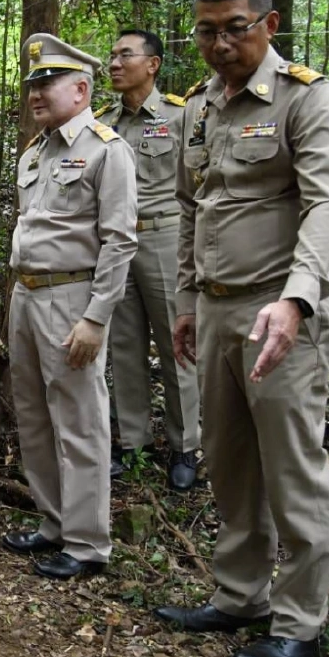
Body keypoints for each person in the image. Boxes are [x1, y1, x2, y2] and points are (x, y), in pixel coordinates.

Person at [154, 0, 329, 657]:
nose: (220, 44)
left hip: (280, 309)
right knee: (231, 462)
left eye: (235, 28)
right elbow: (190, 207)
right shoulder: (198, 106)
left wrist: (297, 300)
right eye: (206, 31)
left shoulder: (305, 97)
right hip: (214, 308)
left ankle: (299, 625)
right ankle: (240, 597)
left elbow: (326, 205)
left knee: (292, 468)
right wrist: (185, 302)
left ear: (268, 23)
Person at [0, 33, 137, 580]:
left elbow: (120, 241)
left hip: (72, 298)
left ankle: (86, 543)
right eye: (32, 84)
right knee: (33, 414)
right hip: (27, 294)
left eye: (48, 83)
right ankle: (52, 523)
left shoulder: (107, 150)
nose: (36, 93)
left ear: (81, 89)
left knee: (79, 421)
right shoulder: (35, 151)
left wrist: (96, 317)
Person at [96, 30, 202, 490]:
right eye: (112, 56)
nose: (114, 64)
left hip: (165, 239)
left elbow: (199, 184)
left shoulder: (180, 115)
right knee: (124, 346)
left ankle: (185, 445)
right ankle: (133, 442)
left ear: (153, 64)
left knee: (177, 345)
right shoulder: (103, 123)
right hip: (116, 243)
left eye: (126, 55)